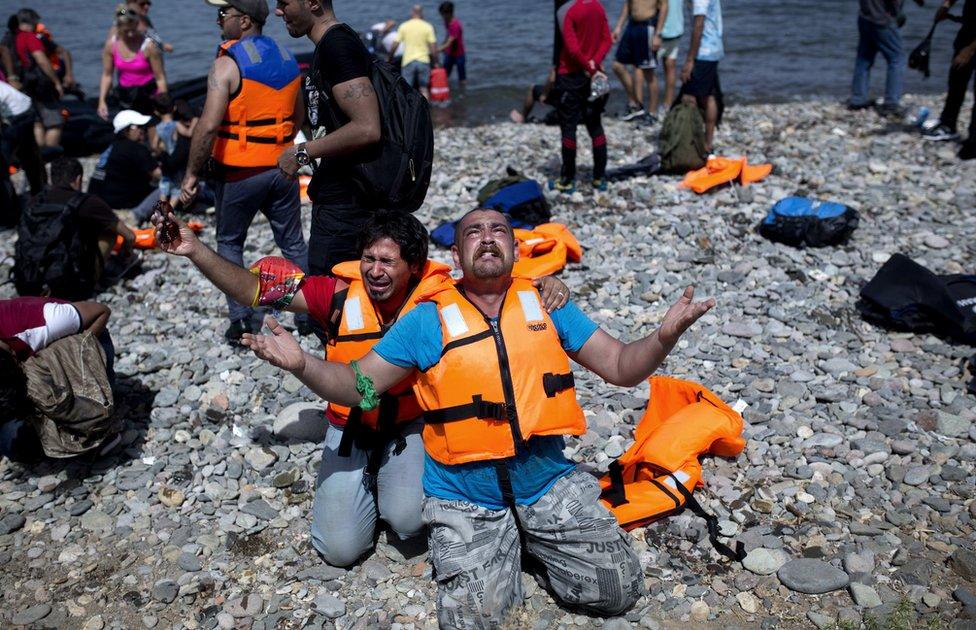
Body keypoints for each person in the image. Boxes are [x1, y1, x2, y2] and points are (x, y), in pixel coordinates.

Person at [241, 208, 716, 626]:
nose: (487, 237)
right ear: (456, 254)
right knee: (475, 619)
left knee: (618, 593)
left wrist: (663, 336)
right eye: (473, 232)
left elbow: (620, 366)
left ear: (514, 246)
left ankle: (531, 536)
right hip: (467, 494)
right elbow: (357, 386)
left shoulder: (549, 305)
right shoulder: (426, 319)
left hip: (545, 480)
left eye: (499, 230)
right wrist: (303, 364)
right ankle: (506, 542)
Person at [152, 207, 572, 567]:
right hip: (349, 424)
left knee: (409, 523)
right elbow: (253, 288)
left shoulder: (441, 295)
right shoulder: (335, 295)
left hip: (408, 428)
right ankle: (358, 479)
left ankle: (385, 482)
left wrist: (550, 284)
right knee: (339, 551)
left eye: (387, 262)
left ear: (413, 265)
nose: (375, 271)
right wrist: (195, 250)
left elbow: (498, 287)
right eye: (368, 258)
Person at [179, 0, 309, 343]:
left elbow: (207, 127)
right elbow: (298, 117)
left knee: (230, 241)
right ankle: (311, 313)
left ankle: (240, 322)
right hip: (282, 169)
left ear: (245, 21)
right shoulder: (287, 58)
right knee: (293, 241)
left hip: (239, 172)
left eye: (224, 15)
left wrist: (191, 175)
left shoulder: (227, 64)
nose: (219, 21)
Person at [273, 0, 383, 286]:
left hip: (349, 202)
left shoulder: (337, 46)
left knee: (329, 293)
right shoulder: (330, 46)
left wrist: (301, 153)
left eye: (284, 3)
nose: (277, 11)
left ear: (312, 2)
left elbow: (367, 127)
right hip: (342, 196)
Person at [0, 297, 116, 460]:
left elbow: (102, 311)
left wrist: (74, 357)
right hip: (22, 374)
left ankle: (99, 424)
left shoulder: (43, 322)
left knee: (70, 414)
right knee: (11, 443)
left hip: (85, 346)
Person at [550, 0, 613, 194]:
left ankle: (568, 179)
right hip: (594, 76)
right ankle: (599, 177)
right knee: (595, 125)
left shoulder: (570, 12)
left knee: (568, 128)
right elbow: (607, 40)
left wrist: (589, 66)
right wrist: (595, 63)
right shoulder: (598, 7)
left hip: (571, 76)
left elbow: (572, 49)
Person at [45, 157, 137, 280]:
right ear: (78, 180)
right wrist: (126, 252)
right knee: (109, 231)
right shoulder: (86, 202)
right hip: (69, 284)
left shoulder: (36, 201)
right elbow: (129, 236)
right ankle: (92, 276)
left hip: (32, 278)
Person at [849, 0, 925, 117]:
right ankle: (891, 103)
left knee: (864, 59)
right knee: (896, 59)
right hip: (882, 19)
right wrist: (897, 13)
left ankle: (858, 99)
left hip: (865, 16)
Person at [922, 0, 976, 159]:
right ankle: (948, 124)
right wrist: (946, 6)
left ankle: (973, 142)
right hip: (968, 30)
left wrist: (969, 50)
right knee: (956, 80)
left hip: (972, 43)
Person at [98, 7, 168, 119]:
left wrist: (165, 104)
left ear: (137, 25)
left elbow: (160, 77)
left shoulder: (149, 46)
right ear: (118, 28)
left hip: (148, 94)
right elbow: (107, 75)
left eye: (133, 30)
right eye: (126, 31)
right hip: (126, 95)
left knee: (151, 128)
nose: (130, 34)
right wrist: (102, 101)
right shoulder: (111, 46)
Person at [89, 109, 160, 213]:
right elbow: (159, 175)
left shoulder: (111, 145)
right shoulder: (135, 148)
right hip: (121, 203)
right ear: (127, 129)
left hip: (99, 200)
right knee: (169, 187)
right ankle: (137, 216)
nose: (143, 130)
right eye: (139, 126)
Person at [12, 9, 63, 150]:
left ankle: (38, 154)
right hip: (39, 86)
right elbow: (41, 60)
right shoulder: (30, 37)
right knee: (55, 122)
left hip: (21, 85)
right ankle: (50, 153)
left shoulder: (12, 38)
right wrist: (56, 81)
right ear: (31, 22)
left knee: (36, 122)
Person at [612, 0, 668, 122]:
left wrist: (658, 34)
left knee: (648, 72)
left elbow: (664, 6)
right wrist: (618, 27)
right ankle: (636, 104)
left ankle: (652, 113)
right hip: (631, 25)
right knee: (617, 65)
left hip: (647, 26)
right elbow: (628, 4)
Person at [679, 0, 724, 153]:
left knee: (689, 96)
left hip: (704, 52)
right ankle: (707, 143)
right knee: (709, 95)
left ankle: (693, 142)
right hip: (713, 49)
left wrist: (690, 60)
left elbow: (699, 26)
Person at [0, 78, 45, 196]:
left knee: (3, 162)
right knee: (28, 155)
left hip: (18, 115)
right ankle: (39, 190)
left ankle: (11, 202)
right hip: (23, 108)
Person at [395, 5, 438, 99]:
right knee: (424, 89)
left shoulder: (404, 26)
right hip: (423, 60)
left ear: (412, 13)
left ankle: (408, 111)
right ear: (421, 13)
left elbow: (395, 44)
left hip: (408, 61)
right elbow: (433, 47)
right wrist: (435, 62)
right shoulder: (428, 26)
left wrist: (390, 58)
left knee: (407, 89)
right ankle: (426, 111)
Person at [657, 0, 683, 112]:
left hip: (662, 31)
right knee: (670, 67)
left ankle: (644, 105)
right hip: (676, 29)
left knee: (645, 69)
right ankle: (668, 104)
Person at [437, 2, 466, 89]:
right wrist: (442, 44)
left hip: (459, 54)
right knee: (445, 74)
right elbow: (448, 35)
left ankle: (463, 92)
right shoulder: (447, 22)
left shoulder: (455, 25)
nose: (442, 17)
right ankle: (446, 89)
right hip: (449, 53)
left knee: (462, 77)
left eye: (443, 14)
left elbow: (450, 41)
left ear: (449, 13)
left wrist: (438, 49)